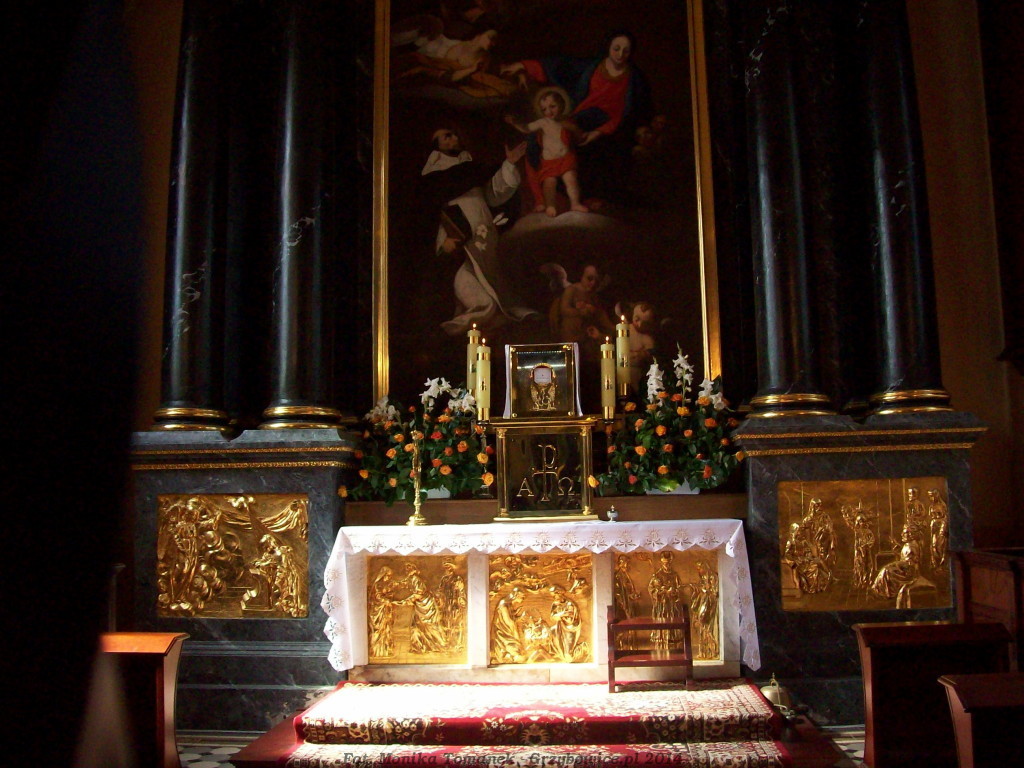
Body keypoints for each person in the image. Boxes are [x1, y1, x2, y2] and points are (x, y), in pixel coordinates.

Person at [501, 31, 652, 205]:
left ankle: (595, 197)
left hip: (615, 125)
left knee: (604, 150)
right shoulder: (593, 66)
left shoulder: (635, 78)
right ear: (608, 48)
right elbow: (561, 66)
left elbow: (636, 111)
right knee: (544, 139)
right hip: (584, 116)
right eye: (616, 48)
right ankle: (555, 195)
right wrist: (524, 66)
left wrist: (599, 132)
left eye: (626, 50)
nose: (620, 54)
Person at [420, 127, 538, 335]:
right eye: (447, 136)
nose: (454, 137)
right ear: (436, 146)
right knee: (483, 300)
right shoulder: (434, 176)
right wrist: (443, 241)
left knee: (493, 282)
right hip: (459, 241)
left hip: (484, 237)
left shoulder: (470, 166)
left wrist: (509, 164)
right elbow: (432, 215)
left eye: (454, 134)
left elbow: (493, 195)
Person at [505, 87, 588, 216]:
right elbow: (526, 129)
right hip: (549, 161)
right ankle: (550, 206)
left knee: (571, 180)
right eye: (544, 109)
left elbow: (578, 135)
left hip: (566, 158)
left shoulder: (566, 122)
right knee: (549, 184)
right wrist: (514, 123)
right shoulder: (543, 122)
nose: (548, 111)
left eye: (552, 106)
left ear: (561, 105)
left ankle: (575, 203)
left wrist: (576, 132)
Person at [398, 562, 448, 654]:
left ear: (413, 570)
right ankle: (418, 647)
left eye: (409, 569)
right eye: (406, 570)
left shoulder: (416, 579)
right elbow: (402, 584)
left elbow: (419, 594)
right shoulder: (410, 579)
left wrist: (406, 601)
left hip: (426, 605)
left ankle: (440, 645)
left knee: (429, 625)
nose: (407, 571)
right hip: (419, 605)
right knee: (416, 625)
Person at [871, 528, 923, 609]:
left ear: (911, 535)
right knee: (886, 569)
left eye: (905, 533)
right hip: (904, 568)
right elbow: (903, 557)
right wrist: (898, 549)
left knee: (887, 571)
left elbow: (910, 563)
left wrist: (897, 564)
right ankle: (883, 592)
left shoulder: (912, 546)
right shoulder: (908, 544)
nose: (902, 534)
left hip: (908, 572)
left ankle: (885, 593)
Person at [648, 551, 686, 650]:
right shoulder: (657, 575)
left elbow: (680, 588)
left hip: (672, 604)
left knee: (673, 621)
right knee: (662, 620)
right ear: (661, 563)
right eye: (665, 563)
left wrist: (674, 591)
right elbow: (651, 589)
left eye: (668, 563)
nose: (667, 565)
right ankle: (662, 642)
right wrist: (661, 591)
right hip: (662, 604)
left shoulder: (675, 575)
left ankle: (674, 644)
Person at [491, 586, 528, 663]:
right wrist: (517, 638)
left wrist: (518, 616)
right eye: (522, 597)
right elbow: (509, 622)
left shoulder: (509, 604)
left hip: (508, 632)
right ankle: (509, 655)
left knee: (516, 647)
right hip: (503, 634)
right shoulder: (503, 605)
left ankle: (514, 655)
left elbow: (511, 618)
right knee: (513, 646)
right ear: (516, 595)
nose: (523, 599)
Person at [437, 559, 468, 650]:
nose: (447, 568)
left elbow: (461, 591)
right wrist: (440, 599)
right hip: (446, 604)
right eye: (446, 566)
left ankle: (458, 644)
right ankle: (448, 642)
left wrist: (460, 600)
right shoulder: (444, 579)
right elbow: (440, 591)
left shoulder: (457, 579)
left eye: (449, 566)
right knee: (446, 622)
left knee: (457, 623)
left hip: (455, 604)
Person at [369, 566, 398, 658]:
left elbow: (389, 594)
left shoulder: (387, 584)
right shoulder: (377, 585)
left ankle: (385, 650)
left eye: (390, 576)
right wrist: (386, 600)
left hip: (386, 610)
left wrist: (390, 593)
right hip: (378, 611)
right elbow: (378, 596)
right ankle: (377, 651)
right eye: (388, 576)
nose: (389, 578)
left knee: (387, 629)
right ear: (383, 575)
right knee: (379, 629)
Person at [927, 489, 949, 570]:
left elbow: (945, 517)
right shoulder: (931, 506)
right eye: (930, 496)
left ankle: (943, 562)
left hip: (942, 524)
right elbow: (931, 517)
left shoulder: (942, 505)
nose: (932, 498)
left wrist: (943, 527)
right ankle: (935, 563)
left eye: (933, 496)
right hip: (934, 525)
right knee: (934, 544)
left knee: (941, 544)